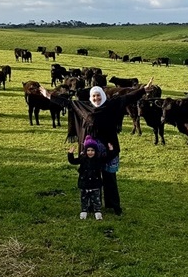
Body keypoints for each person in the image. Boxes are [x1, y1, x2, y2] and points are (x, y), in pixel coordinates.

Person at [41, 77, 155, 215]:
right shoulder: (84, 106)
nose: (96, 98)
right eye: (94, 96)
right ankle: (90, 205)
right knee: (91, 177)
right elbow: (67, 103)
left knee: (109, 177)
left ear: (102, 96)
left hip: (108, 147)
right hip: (90, 149)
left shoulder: (111, 105)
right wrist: (48, 95)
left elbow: (127, 98)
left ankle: (113, 205)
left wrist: (142, 90)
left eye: (98, 96)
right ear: (91, 97)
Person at [67, 135, 114, 220]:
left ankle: (98, 211)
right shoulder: (82, 159)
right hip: (84, 183)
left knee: (96, 199)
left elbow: (107, 159)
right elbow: (73, 161)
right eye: (88, 150)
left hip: (95, 183)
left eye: (92, 150)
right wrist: (70, 154)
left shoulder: (98, 159)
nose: (90, 152)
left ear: (96, 151)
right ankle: (84, 211)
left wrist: (110, 150)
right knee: (84, 198)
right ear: (85, 151)